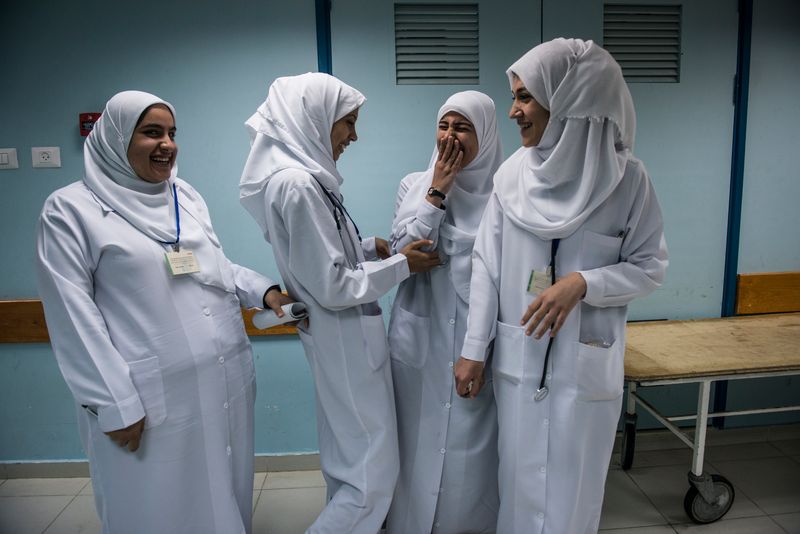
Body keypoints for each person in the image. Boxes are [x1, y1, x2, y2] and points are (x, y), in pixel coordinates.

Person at [35, 90, 291, 534]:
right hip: (148, 397)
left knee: (225, 490)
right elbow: (72, 314)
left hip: (224, 375)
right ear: (116, 139)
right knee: (156, 503)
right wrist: (115, 402)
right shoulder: (69, 211)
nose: (167, 144)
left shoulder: (183, 195)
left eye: (172, 133)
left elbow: (213, 265)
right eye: (152, 132)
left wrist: (263, 290)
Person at [454, 39, 669, 533]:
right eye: (514, 97)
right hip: (520, 362)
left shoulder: (628, 180)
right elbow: (486, 266)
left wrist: (584, 283)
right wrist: (473, 349)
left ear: (570, 99)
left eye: (526, 97)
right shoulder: (511, 178)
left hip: (585, 367)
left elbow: (650, 265)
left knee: (575, 494)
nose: (513, 111)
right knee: (519, 488)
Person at [238, 72, 439, 534]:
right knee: (371, 479)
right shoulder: (296, 185)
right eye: (347, 122)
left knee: (349, 466)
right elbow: (332, 285)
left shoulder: (307, 180)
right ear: (313, 118)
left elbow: (321, 257)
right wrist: (404, 265)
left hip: (342, 342)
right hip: (344, 341)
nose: (354, 135)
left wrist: (369, 248)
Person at [387, 91, 502, 533]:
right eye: (444, 126)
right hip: (420, 330)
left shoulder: (504, 192)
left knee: (470, 445)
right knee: (415, 438)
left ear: (486, 136)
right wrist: (437, 192)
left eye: (463, 127)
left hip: (477, 338)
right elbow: (404, 251)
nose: (450, 137)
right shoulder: (413, 184)